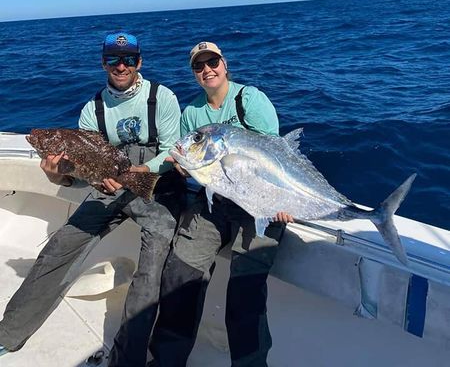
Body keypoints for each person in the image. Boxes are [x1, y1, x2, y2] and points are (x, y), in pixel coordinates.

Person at [0, 32, 185, 367]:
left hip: (156, 189)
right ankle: (8, 334)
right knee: (59, 246)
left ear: (139, 62)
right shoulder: (91, 110)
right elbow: (81, 174)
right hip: (106, 188)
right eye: (113, 59)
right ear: (103, 63)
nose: (121, 65)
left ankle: (127, 359)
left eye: (128, 58)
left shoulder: (164, 98)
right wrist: (57, 175)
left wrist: (138, 173)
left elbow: (173, 152)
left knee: (152, 266)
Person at [149, 41, 293, 367]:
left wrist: (281, 200)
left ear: (225, 65)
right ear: (194, 74)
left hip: (261, 204)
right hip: (212, 204)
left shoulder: (249, 99)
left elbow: (276, 157)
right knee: (179, 279)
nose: (207, 70)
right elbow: (186, 160)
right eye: (199, 66)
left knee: (245, 297)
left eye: (212, 62)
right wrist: (182, 166)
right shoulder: (192, 114)